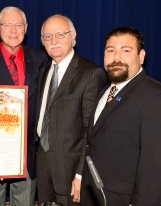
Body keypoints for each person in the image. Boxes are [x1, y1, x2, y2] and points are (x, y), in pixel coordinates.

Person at [80, 27, 161, 206]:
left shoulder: (159, 99)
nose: (116, 57)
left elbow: (157, 171)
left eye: (126, 50)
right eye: (110, 50)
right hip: (95, 196)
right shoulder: (105, 91)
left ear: (141, 57)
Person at [0, 6, 48, 206]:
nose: (13, 30)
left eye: (18, 25)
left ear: (26, 28)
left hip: (28, 153)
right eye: (8, 25)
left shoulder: (42, 59)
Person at [35, 14, 107, 206]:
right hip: (43, 166)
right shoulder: (44, 71)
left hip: (71, 170)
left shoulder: (91, 73)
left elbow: (92, 131)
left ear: (73, 36)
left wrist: (81, 174)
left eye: (60, 34)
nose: (54, 41)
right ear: (42, 42)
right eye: (47, 37)